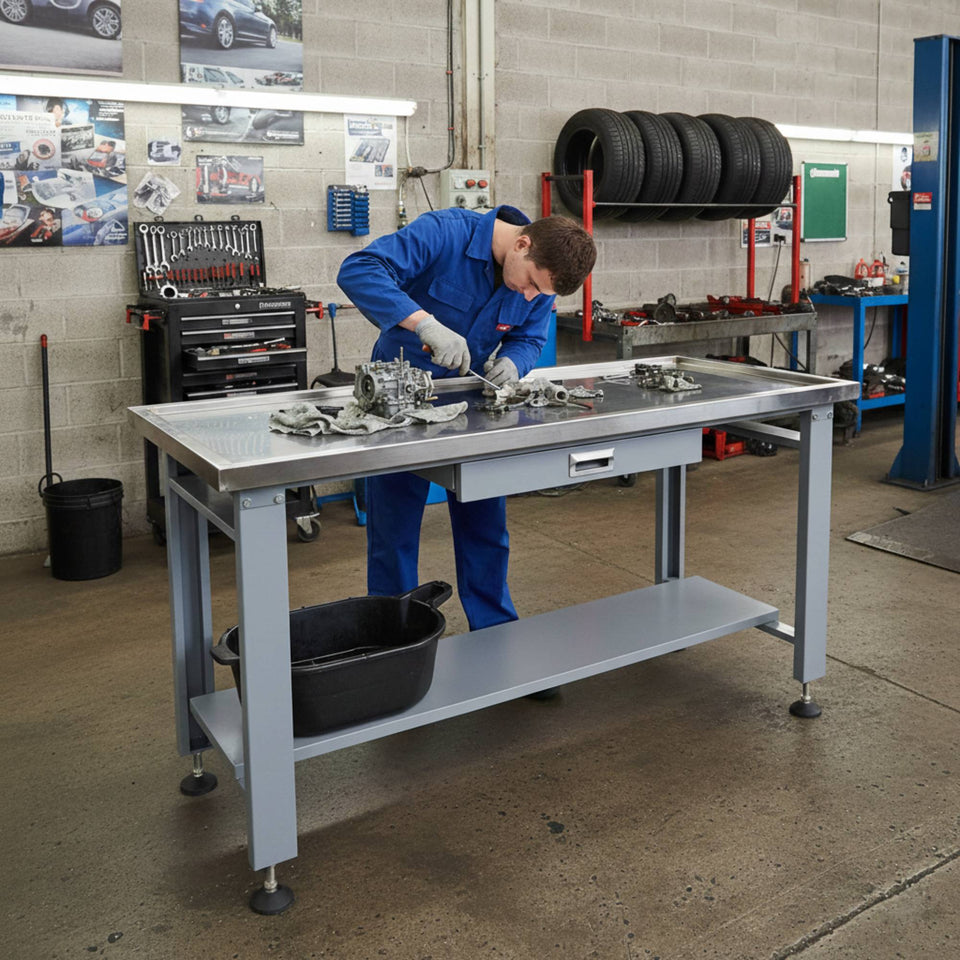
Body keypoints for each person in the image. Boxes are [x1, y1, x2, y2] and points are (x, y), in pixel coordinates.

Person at [337, 205, 596, 632]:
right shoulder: (443, 233)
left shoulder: (539, 281)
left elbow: (529, 337)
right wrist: (424, 324)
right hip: (398, 401)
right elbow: (358, 269)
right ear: (522, 242)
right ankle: (395, 638)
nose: (530, 296)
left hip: (470, 404)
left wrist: (514, 362)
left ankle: (495, 632)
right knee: (394, 530)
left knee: (485, 525)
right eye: (531, 284)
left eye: (540, 293)